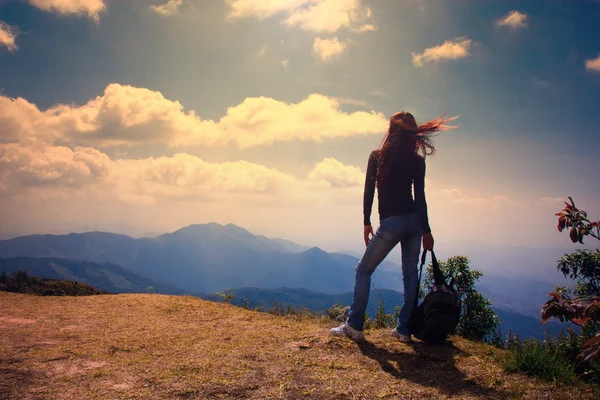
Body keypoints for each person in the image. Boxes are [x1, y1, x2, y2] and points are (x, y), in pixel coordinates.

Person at [330, 111, 457, 343]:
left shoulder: (378, 157)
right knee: (410, 276)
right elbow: (420, 198)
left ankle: (355, 325)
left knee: (363, 270)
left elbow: (369, 191)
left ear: (391, 130)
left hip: (392, 223)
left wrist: (366, 221)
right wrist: (426, 230)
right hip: (414, 223)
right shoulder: (417, 161)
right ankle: (404, 330)